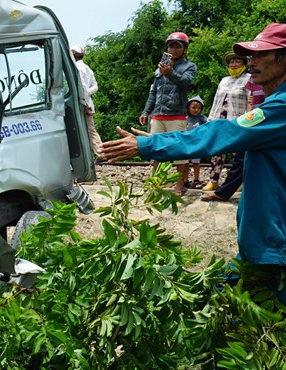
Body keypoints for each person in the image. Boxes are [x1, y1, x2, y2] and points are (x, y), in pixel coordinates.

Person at [99, 23, 286, 303]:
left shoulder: (280, 108)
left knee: (263, 325)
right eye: (250, 56)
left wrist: (147, 145)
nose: (252, 63)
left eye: (260, 55)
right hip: (263, 242)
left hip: (275, 249)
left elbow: (223, 132)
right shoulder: (274, 104)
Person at [139, 32, 197, 195]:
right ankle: (156, 183)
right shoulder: (160, 68)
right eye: (171, 45)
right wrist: (146, 111)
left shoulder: (189, 66)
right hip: (158, 115)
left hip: (177, 115)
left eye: (178, 46)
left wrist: (170, 72)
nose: (174, 49)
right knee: (155, 151)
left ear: (184, 48)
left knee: (179, 152)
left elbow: (185, 82)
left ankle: (179, 184)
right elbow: (153, 92)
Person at [200, 51, 251, 192]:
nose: (233, 64)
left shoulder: (249, 79)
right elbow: (216, 101)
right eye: (231, 62)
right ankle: (213, 180)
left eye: (237, 61)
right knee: (217, 152)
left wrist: (248, 119)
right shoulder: (224, 80)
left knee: (237, 154)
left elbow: (251, 100)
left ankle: (238, 182)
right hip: (220, 119)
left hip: (238, 120)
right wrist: (211, 120)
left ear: (244, 64)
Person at [71, 45, 103, 157]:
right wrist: (87, 96)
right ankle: (98, 154)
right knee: (91, 130)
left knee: (88, 131)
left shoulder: (76, 68)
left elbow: (82, 86)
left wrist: (85, 101)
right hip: (88, 102)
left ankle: (100, 154)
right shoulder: (87, 68)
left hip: (82, 104)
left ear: (73, 55)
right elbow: (95, 86)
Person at [185, 96, 206, 189]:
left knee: (196, 162)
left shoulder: (203, 119)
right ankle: (185, 179)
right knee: (185, 162)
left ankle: (196, 179)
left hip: (197, 144)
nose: (196, 110)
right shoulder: (185, 118)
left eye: (199, 108)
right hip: (185, 143)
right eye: (193, 107)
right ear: (188, 108)